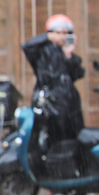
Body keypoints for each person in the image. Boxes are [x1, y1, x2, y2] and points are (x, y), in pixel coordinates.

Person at [21, 14, 85, 143]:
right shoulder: (41, 51)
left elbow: (77, 74)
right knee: (52, 138)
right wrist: (49, 37)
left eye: (66, 33)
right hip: (50, 102)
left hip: (69, 103)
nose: (62, 36)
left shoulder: (68, 55)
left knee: (73, 137)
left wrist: (68, 55)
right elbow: (27, 46)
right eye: (58, 33)